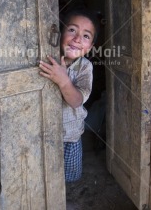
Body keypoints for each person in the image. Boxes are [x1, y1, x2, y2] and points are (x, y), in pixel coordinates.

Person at [39, 9, 98, 182]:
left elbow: (77, 101)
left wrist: (64, 81)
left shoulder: (85, 67)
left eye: (86, 36)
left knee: (68, 177)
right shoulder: (47, 58)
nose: (78, 39)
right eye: (72, 30)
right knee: (42, 175)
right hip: (41, 134)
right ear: (60, 33)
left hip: (69, 135)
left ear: (91, 47)